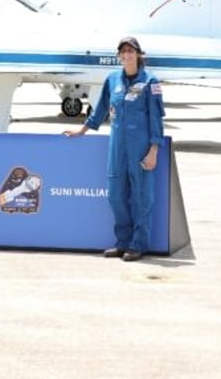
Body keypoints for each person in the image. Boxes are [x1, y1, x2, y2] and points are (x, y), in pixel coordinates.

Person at [63, 36, 165, 262]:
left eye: (131, 51)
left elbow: (156, 118)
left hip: (141, 146)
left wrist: (154, 150)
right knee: (115, 194)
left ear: (138, 54)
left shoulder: (150, 82)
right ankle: (122, 243)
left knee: (142, 197)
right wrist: (82, 130)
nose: (127, 55)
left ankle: (138, 245)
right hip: (117, 146)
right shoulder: (112, 80)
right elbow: (100, 110)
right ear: (119, 55)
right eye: (123, 52)